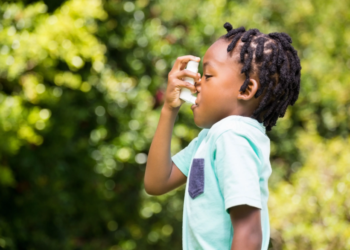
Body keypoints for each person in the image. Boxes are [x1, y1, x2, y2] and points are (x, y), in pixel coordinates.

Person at [144, 22, 301, 250]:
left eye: (207, 75)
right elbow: (157, 182)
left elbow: (249, 233)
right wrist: (169, 109)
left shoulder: (232, 136)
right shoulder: (210, 138)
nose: (197, 83)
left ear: (246, 90)